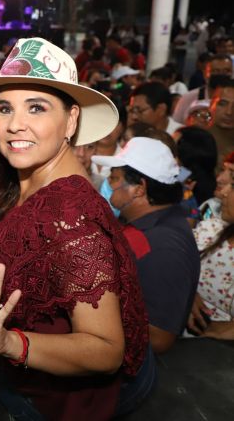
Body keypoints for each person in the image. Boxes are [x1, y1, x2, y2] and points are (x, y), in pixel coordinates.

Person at [0, 37, 151, 420]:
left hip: (50, 405)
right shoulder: (22, 183)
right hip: (20, 383)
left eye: (36, 107)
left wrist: (11, 344)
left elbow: (106, 349)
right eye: (4, 108)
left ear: (71, 121)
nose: (15, 125)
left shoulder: (70, 216)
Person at [93, 137, 200, 354]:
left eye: (114, 178)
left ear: (139, 189)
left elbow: (159, 338)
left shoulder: (162, 246)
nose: (109, 185)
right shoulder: (153, 223)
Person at [187, 159, 234, 337]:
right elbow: (169, 265)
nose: (225, 193)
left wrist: (219, 331)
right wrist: (186, 292)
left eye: (233, 186)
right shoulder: (211, 228)